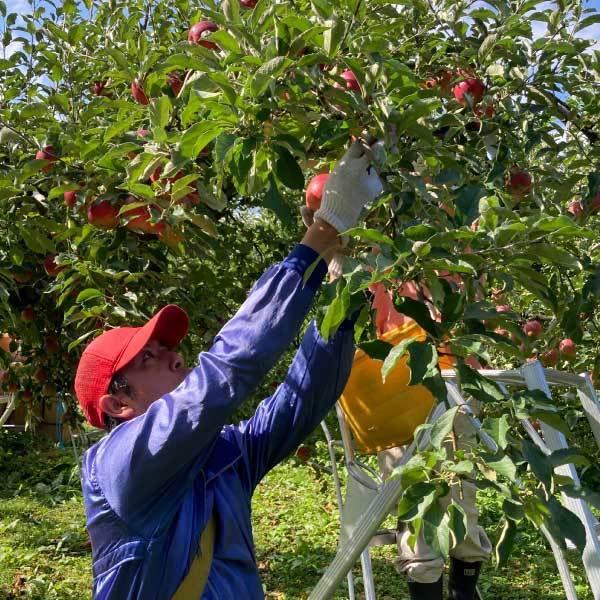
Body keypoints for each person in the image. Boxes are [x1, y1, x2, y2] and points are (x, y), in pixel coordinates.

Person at [73, 141, 382, 599]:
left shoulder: (222, 457)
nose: (176, 356)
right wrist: (322, 232)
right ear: (117, 403)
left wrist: (343, 285)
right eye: (149, 358)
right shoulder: (118, 467)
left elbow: (303, 397)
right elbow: (222, 376)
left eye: (168, 348)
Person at [340, 280, 491, 600]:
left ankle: (463, 589)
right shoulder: (380, 254)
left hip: (450, 377)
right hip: (399, 385)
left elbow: (477, 305)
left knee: (457, 489)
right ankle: (435, 588)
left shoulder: (458, 243)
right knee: (413, 494)